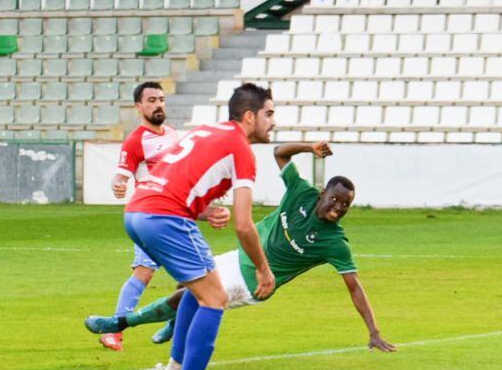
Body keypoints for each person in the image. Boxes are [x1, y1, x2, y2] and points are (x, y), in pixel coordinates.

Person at [85, 141, 397, 358]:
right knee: (185, 282)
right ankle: (171, 323)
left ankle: (120, 323)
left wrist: (374, 331)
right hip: (242, 257)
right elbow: (279, 153)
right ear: (323, 193)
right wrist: (309, 148)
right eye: (336, 199)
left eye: (346, 205)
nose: (339, 207)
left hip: (254, 282)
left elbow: (354, 287)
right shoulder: (301, 192)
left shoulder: (335, 242)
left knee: (186, 295)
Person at [123, 82, 276, 370]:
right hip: (164, 217)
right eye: (269, 113)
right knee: (216, 298)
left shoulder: (206, 132)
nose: (273, 122)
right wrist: (263, 268)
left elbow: (173, 175)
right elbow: (244, 225)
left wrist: (202, 210)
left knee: (202, 288)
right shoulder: (241, 150)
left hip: (137, 211)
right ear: (250, 116)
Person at [99, 82, 188, 352]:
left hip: (178, 213)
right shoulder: (136, 140)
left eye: (161, 99)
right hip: (150, 215)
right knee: (144, 273)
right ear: (139, 107)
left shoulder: (173, 135)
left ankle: (173, 325)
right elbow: (122, 173)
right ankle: (113, 329)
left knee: (189, 276)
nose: (158, 104)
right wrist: (118, 184)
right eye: (151, 100)